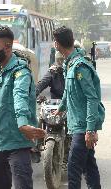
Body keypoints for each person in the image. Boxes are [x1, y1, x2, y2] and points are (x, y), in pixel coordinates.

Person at [0, 26, 46, 189]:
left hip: (17, 142)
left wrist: (23, 124)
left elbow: (20, 98)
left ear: (8, 46)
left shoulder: (20, 72)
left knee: (22, 185)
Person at [54, 26, 105, 189]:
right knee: (89, 166)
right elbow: (69, 90)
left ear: (57, 44)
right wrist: (61, 107)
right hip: (78, 123)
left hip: (83, 126)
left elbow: (92, 98)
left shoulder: (80, 66)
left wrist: (90, 130)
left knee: (73, 170)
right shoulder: (69, 64)